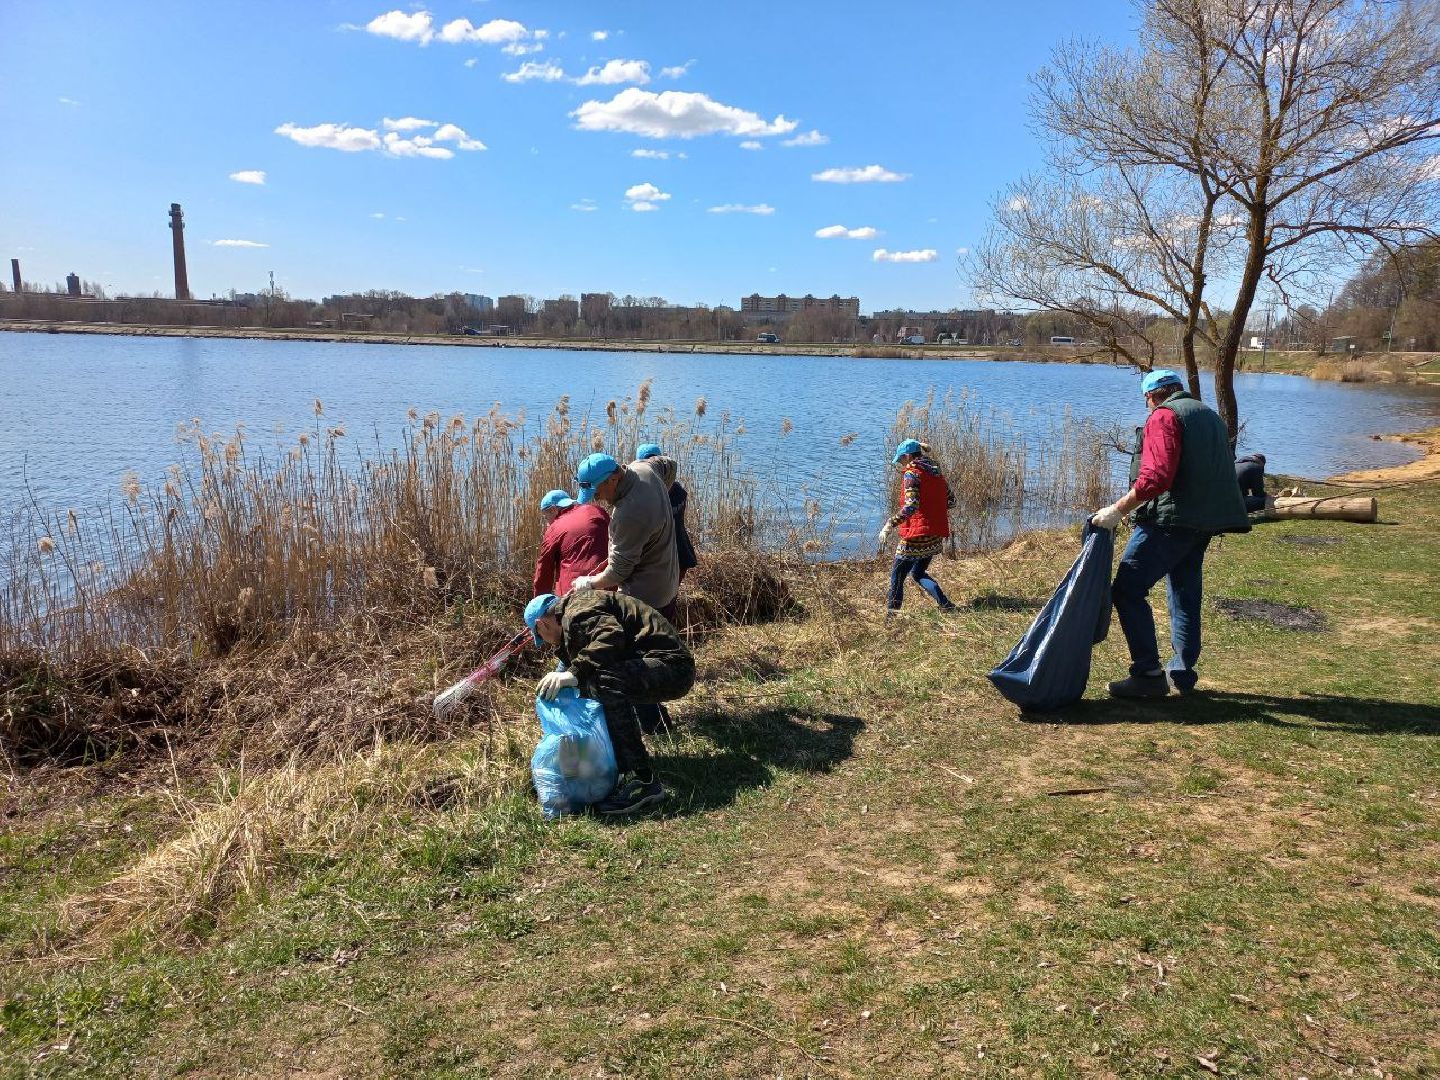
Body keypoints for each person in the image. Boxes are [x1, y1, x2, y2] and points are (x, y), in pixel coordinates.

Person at [1090, 369, 1251, 698]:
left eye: (1146, 400)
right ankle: (1182, 674)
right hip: (1203, 522)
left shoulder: (1165, 417)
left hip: (1170, 522)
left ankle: (1148, 674)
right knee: (1184, 592)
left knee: (1128, 589)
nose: (1147, 407)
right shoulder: (1208, 415)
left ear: (1152, 395)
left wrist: (1119, 509)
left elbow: (1157, 477)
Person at [524, 589, 694, 816]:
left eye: (541, 638)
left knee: (604, 681)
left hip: (674, 668)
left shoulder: (578, 611)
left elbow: (610, 635)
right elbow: (581, 660)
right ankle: (610, 772)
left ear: (541, 625)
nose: (546, 643)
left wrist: (575, 672)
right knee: (591, 682)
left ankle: (642, 780)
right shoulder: (574, 613)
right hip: (656, 666)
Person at [570, 452, 680, 623]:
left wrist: (589, 584)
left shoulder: (628, 514)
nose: (596, 498)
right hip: (668, 585)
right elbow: (670, 463)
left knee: (644, 649)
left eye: (596, 492)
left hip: (645, 602)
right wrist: (661, 494)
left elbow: (618, 572)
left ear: (613, 479)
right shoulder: (643, 467)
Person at [878, 438, 957, 615]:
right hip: (935, 536)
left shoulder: (912, 473)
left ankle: (891, 618)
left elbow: (911, 506)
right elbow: (951, 501)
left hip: (917, 536)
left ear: (907, 456)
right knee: (917, 573)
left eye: (900, 460)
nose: (900, 464)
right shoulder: (936, 473)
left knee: (898, 576)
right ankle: (945, 605)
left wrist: (889, 525)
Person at [636, 442, 698, 583]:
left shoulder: (645, 492)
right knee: (670, 597)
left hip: (660, 555)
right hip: (681, 550)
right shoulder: (679, 491)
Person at [532, 489, 610, 598]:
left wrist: (540, 603)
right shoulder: (597, 511)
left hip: (574, 592)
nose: (547, 522)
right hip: (607, 584)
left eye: (546, 517)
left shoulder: (555, 528)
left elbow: (544, 570)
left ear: (553, 510)